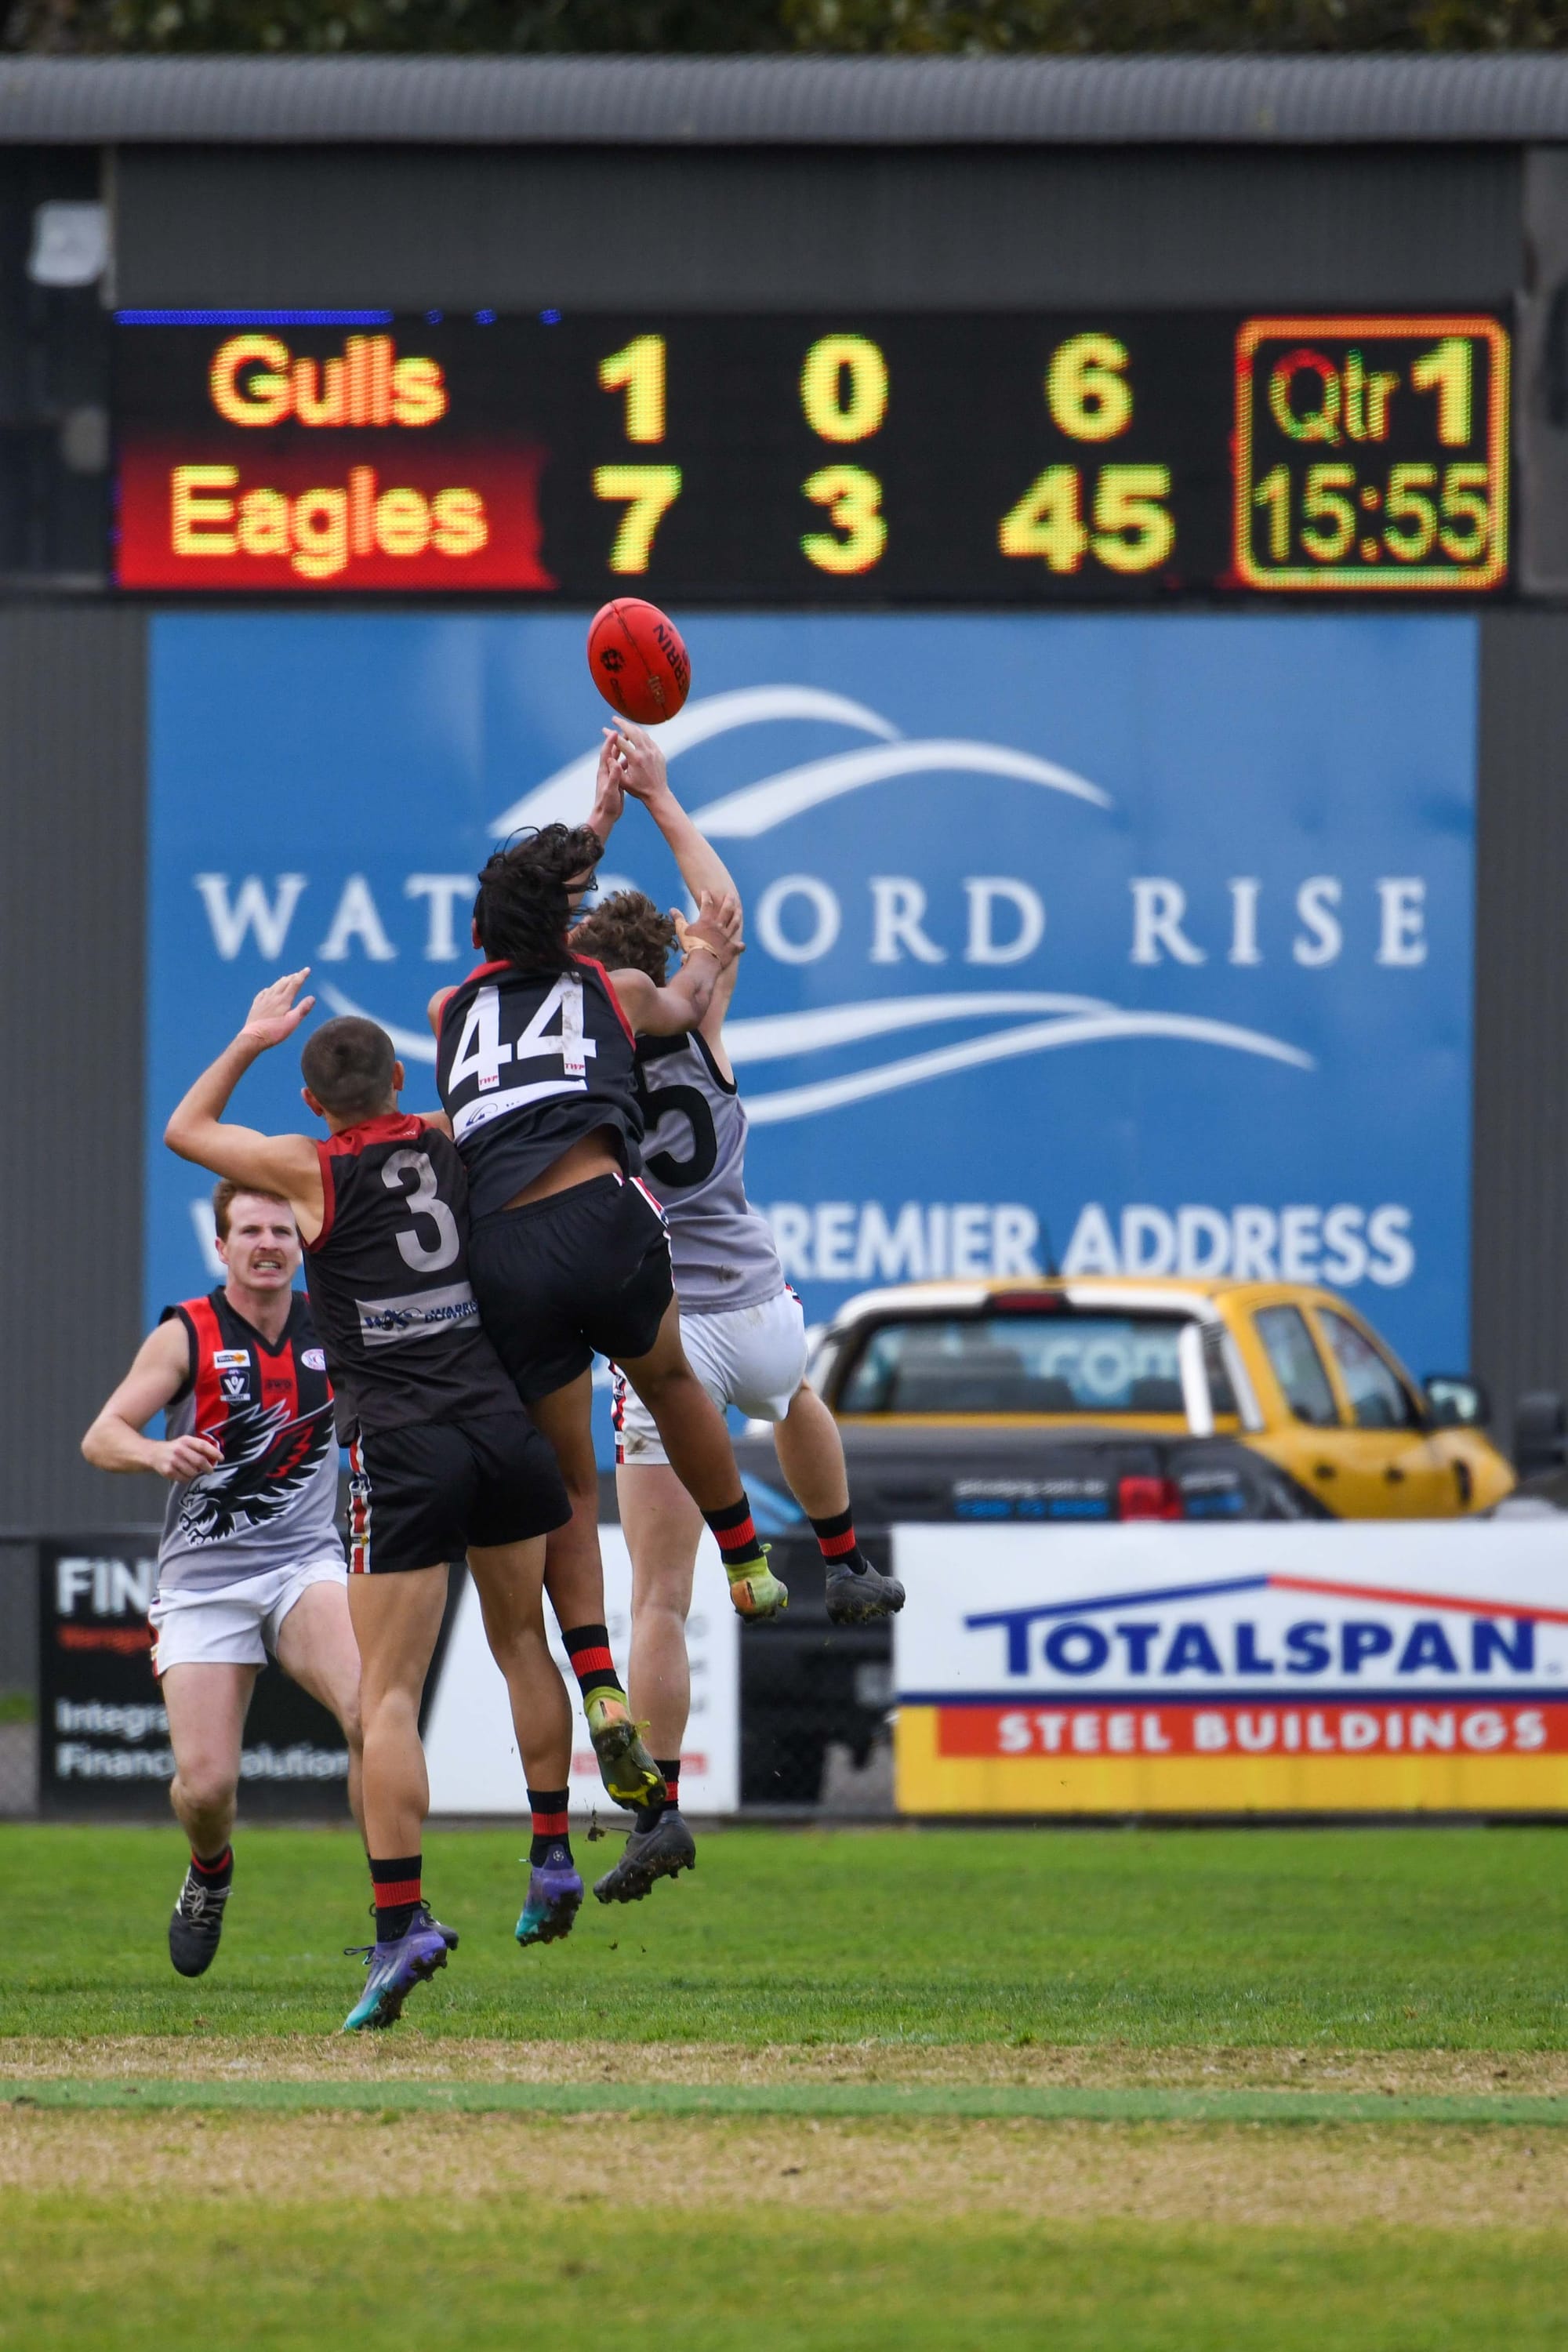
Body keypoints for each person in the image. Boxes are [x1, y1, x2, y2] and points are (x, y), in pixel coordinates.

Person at [163, 975, 592, 2030]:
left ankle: (400, 1928)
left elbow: (185, 1128)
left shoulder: (308, 1167)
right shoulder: (451, 1138)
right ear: (399, 1080)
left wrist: (253, 1036)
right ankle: (550, 1856)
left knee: (388, 1704)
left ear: (315, 1103)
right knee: (523, 1646)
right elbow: (518, 1109)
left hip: (402, 1450)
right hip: (499, 1425)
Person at [572, 728, 905, 1903]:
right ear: (661, 962)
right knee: (799, 1392)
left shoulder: (573, 1051)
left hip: (659, 1334)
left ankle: (656, 1810)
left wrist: (595, 814)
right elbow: (722, 906)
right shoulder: (697, 1013)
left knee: (657, 1596)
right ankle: (847, 1555)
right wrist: (661, 799)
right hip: (752, 1294)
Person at [427, 797, 790, 1846]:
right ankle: (746, 1558)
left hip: (500, 1252)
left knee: (573, 1485)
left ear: (481, 937)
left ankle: (600, 1683)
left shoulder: (453, 1009)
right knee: (673, 1382)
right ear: (568, 927)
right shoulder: (610, 986)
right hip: (600, 1219)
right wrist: (706, 952)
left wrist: (580, 835)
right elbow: (689, 998)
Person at [82, 1182, 363, 1981]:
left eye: (282, 1228)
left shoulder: (332, 1322)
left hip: (303, 1565)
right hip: (204, 1582)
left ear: (300, 1241)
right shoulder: (187, 1334)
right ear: (222, 1246)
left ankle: (397, 1911)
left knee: (373, 1711)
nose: (268, 1243)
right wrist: (155, 1453)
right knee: (206, 1789)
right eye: (250, 1231)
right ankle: (209, 1871)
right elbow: (101, 1435)